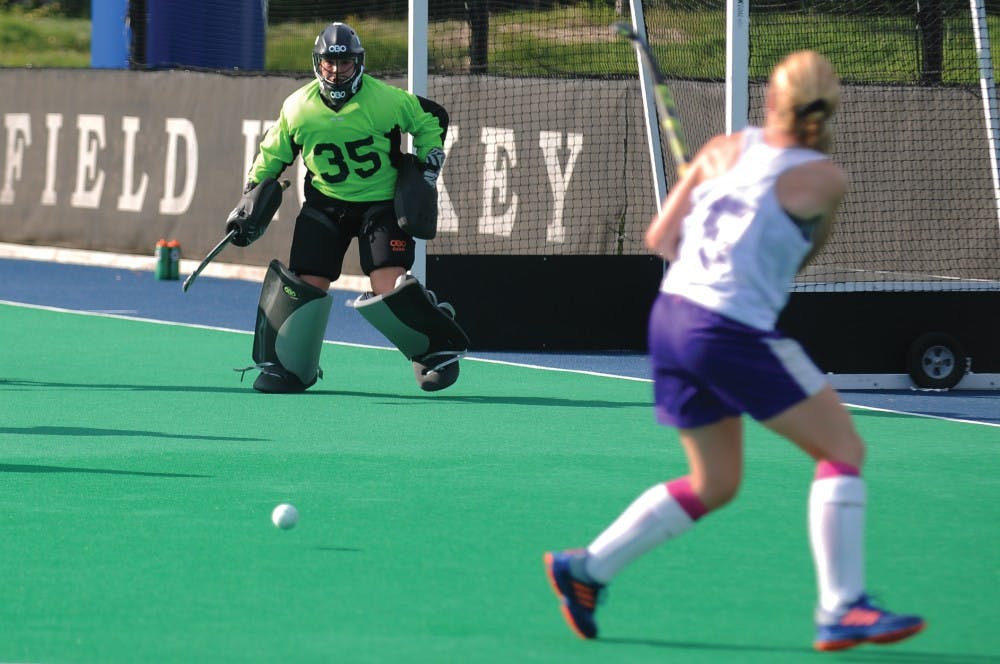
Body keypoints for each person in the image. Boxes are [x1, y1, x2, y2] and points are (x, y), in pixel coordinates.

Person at [543, 50, 925, 652]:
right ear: (830, 110)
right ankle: (842, 606)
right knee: (843, 447)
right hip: (727, 329)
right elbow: (804, 254)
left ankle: (586, 570)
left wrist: (698, 189)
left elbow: (661, 239)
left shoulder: (718, 152)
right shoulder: (826, 179)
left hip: (670, 322)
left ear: (770, 101)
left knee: (716, 482)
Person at [227, 22, 467, 394]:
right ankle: (290, 367)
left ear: (359, 63)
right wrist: (250, 195)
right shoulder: (297, 108)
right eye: (328, 63)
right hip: (325, 205)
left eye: (345, 63)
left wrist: (428, 162)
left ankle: (434, 348)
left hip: (381, 206)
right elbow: (272, 155)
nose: (336, 71)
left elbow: (429, 120)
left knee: (387, 288)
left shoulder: (386, 100)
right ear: (317, 63)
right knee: (306, 285)